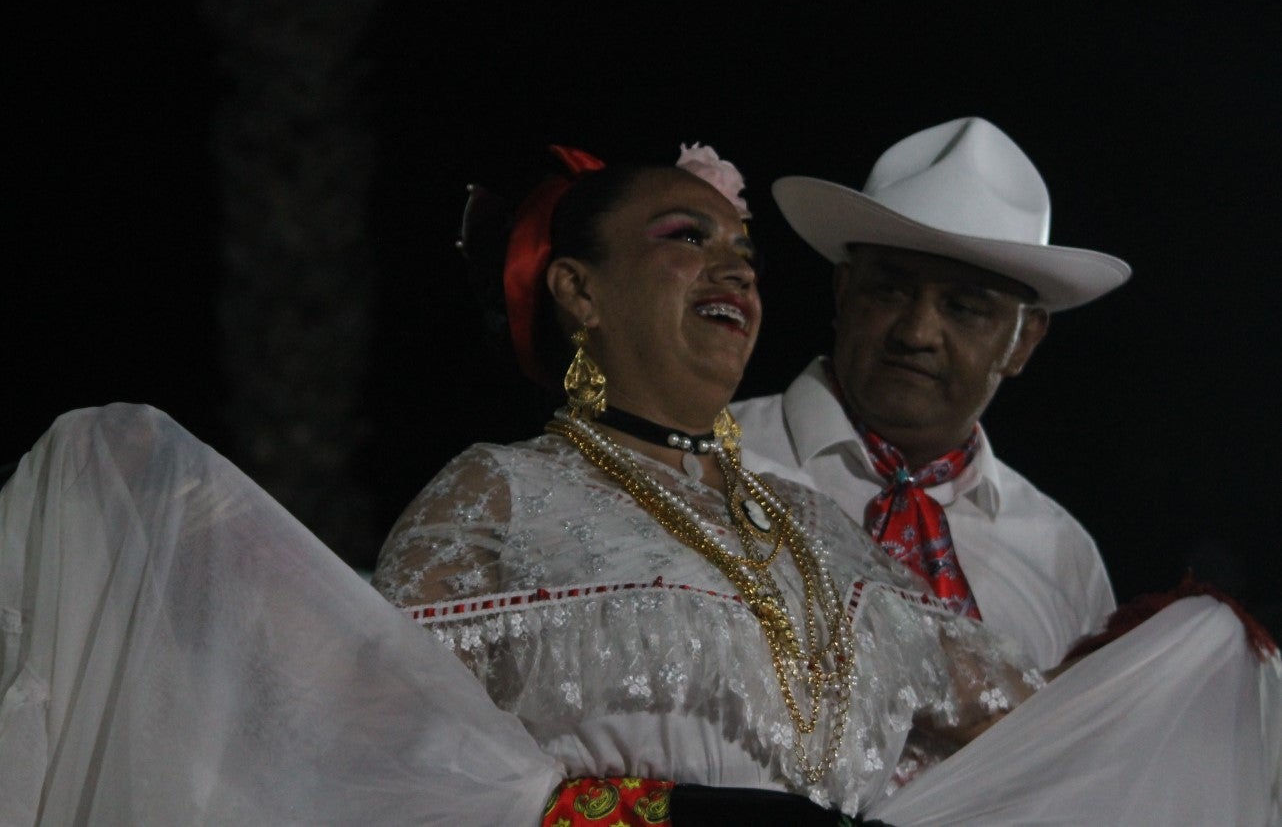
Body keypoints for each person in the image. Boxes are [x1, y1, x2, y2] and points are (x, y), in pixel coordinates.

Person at [1, 145, 1276, 825]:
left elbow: (1031, 735)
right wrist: (637, 817)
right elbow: (367, 744)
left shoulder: (822, 539)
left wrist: (1184, 653)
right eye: (685, 239)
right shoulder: (496, 494)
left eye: (742, 248)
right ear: (577, 288)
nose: (735, 268)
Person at [733, 117, 1130, 669]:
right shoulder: (706, 461)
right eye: (890, 289)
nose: (916, 333)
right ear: (843, 291)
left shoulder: (1064, 558)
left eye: (964, 308)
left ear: (1024, 342)